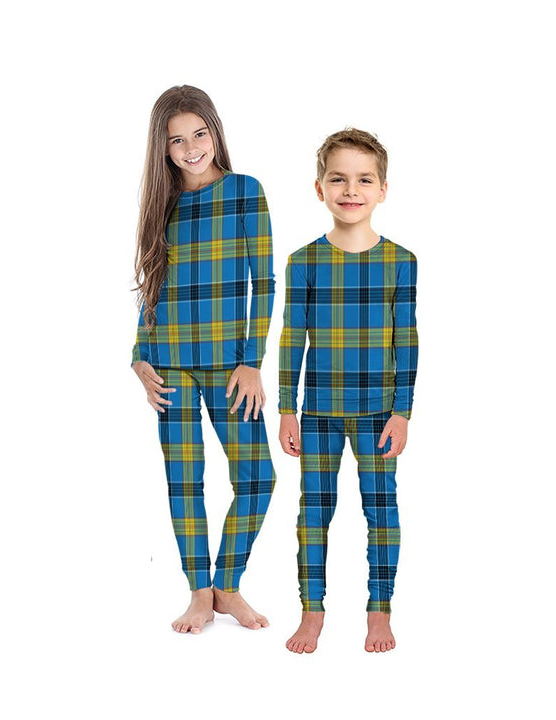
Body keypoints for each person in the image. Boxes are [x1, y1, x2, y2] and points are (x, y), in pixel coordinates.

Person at [132, 85, 276, 634]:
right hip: (169, 363)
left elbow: (264, 281)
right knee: (184, 481)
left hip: (230, 366)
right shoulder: (161, 205)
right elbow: (151, 286)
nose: (191, 148)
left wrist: (252, 360)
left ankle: (227, 586)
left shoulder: (244, 191)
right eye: (177, 140)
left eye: (199, 134)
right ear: (163, 148)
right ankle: (199, 593)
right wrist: (139, 356)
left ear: (215, 131)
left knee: (258, 480)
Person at [278, 128, 418, 653]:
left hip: (379, 413)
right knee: (313, 513)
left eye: (364, 180)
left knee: (381, 512)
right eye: (338, 179)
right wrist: (287, 410)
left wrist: (403, 411)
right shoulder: (304, 261)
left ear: (383, 189)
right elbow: (292, 337)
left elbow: (407, 340)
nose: (351, 190)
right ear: (320, 188)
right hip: (318, 414)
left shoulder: (401, 261)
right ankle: (311, 610)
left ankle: (379, 610)